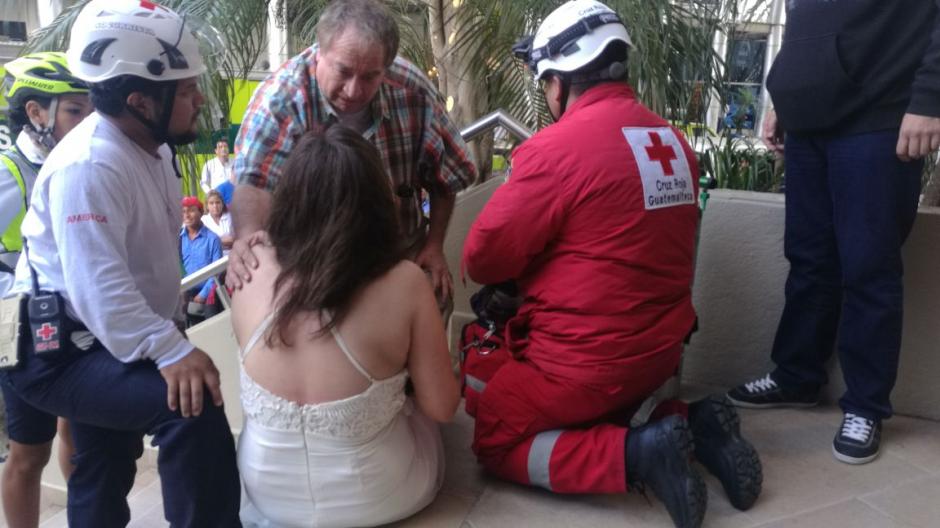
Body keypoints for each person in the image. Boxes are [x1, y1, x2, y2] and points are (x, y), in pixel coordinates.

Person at [463, 2, 761, 527]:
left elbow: (483, 259)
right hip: (660, 352)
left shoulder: (555, 149)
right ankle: (691, 422)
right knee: (603, 402)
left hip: (583, 367)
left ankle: (635, 457)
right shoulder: (672, 141)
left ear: (557, 83)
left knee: (494, 435)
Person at [0, 1, 241, 526]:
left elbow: (144, 263)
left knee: (104, 466)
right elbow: (99, 287)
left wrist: (166, 337)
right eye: (186, 89)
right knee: (191, 408)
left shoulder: (151, 148)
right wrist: (169, 350)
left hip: (99, 337)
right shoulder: (88, 164)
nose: (199, 98)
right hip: (56, 351)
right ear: (141, 99)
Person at [727, 0, 940, 466]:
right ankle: (797, 376)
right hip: (808, 120)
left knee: (869, 267)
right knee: (808, 257)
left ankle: (865, 406)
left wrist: (930, 99)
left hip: (879, 115)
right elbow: (805, 23)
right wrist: (784, 96)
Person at [231, 125, 459, 527]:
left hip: (264, 492)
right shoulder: (405, 281)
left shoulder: (250, 264)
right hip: (376, 496)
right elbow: (441, 407)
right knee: (423, 415)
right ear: (376, 204)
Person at [228, 0, 476, 313]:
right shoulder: (280, 99)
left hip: (399, 253)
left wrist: (435, 244)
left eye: (370, 76)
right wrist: (250, 243)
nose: (353, 91)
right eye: (343, 71)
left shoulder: (412, 89)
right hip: (312, 262)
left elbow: (447, 175)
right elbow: (254, 182)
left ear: (385, 67)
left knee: (435, 299)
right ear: (319, 53)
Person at [0, 51, 92, 528]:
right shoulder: (10, 171)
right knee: (28, 453)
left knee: (75, 437)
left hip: (72, 319)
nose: (87, 120)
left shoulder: (77, 161)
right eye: (75, 110)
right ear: (37, 113)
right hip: (19, 329)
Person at [180, 196, 223, 304]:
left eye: (191, 211)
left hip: (209, 293)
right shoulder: (177, 239)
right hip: (183, 292)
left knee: (214, 319)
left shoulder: (213, 239)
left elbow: (217, 271)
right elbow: (175, 266)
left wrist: (203, 294)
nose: (187, 215)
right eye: (183, 211)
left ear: (201, 212)